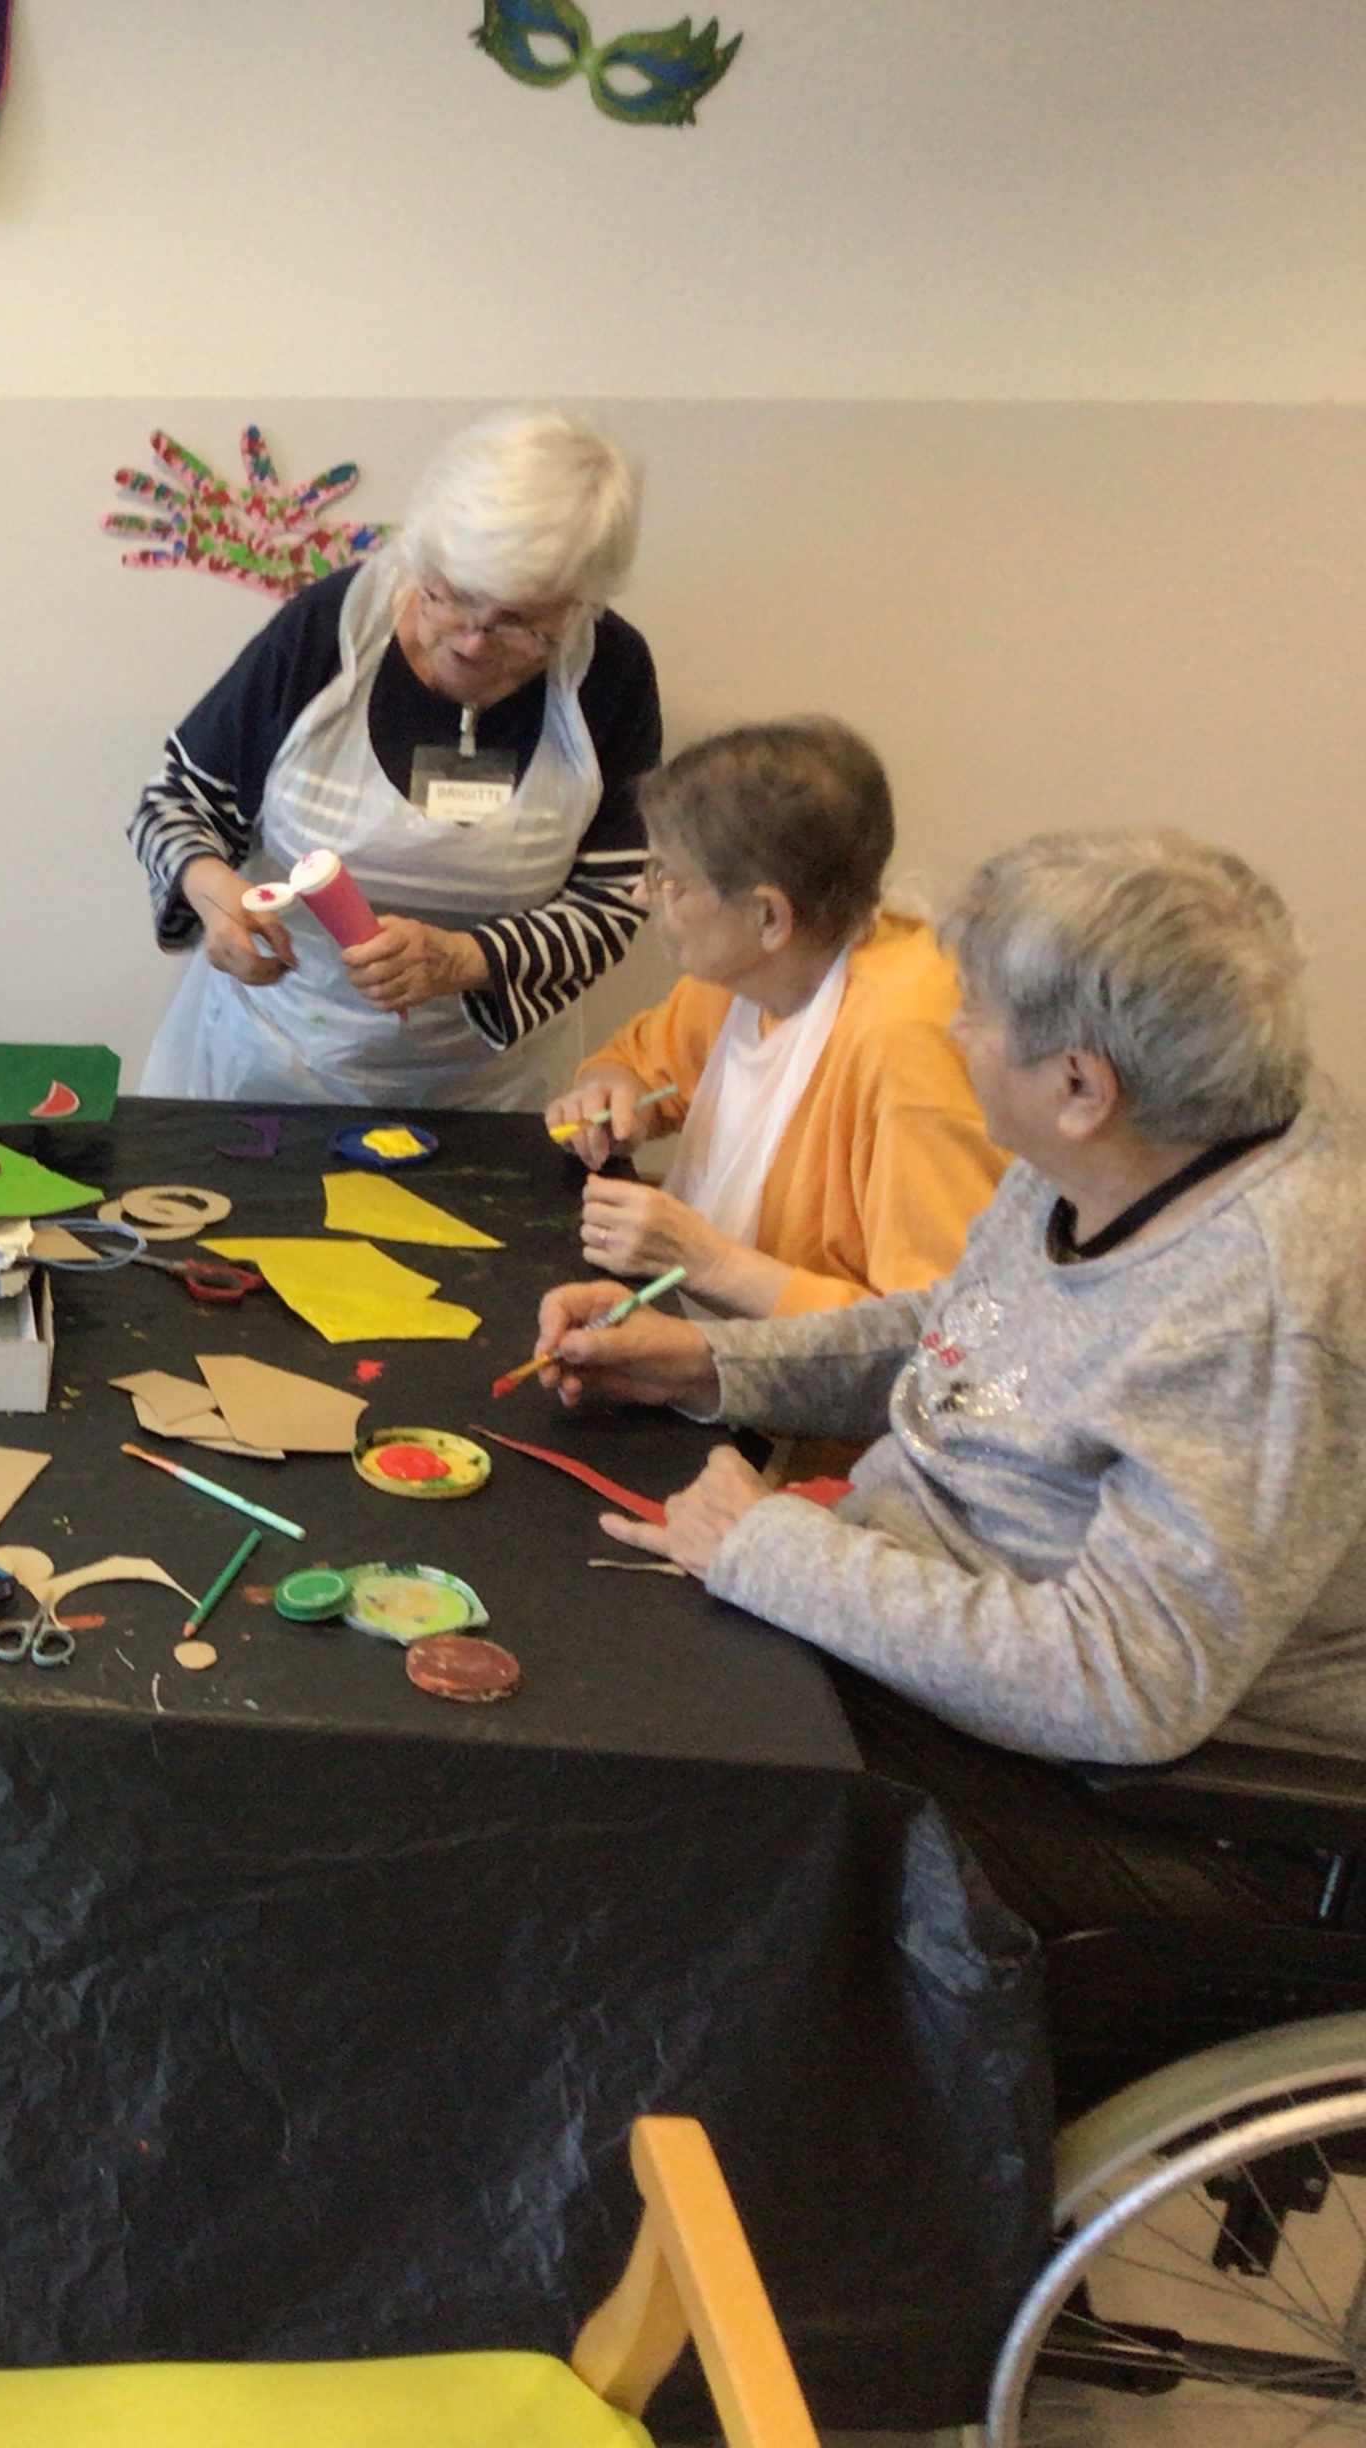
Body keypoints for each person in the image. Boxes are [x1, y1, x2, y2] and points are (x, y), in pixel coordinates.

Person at [533, 831, 1366, 1940]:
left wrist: (775, 1555)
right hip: (931, 1622)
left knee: (614, 1811)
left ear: (1081, 1085)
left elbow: (1123, 1685)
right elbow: (969, 1337)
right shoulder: (1139, 1138)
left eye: (973, 1016)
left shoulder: (1260, 1311)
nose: (952, 1031)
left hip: (1149, 1808)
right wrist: (710, 1363)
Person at [129, 406, 662, 1108]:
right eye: (452, 597)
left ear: (582, 605)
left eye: (519, 623)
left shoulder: (610, 674)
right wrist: (211, 896)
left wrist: (466, 959)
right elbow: (174, 803)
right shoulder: (330, 629)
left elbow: (617, 896)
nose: (472, 642)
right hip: (274, 1066)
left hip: (488, 1094)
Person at [543, 719, 1006, 1317]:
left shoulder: (906, 1046)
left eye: (669, 879)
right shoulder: (748, 977)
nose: (642, 894)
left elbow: (940, 1325)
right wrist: (612, 1093)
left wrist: (709, 1263)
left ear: (768, 917)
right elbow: (639, 1064)